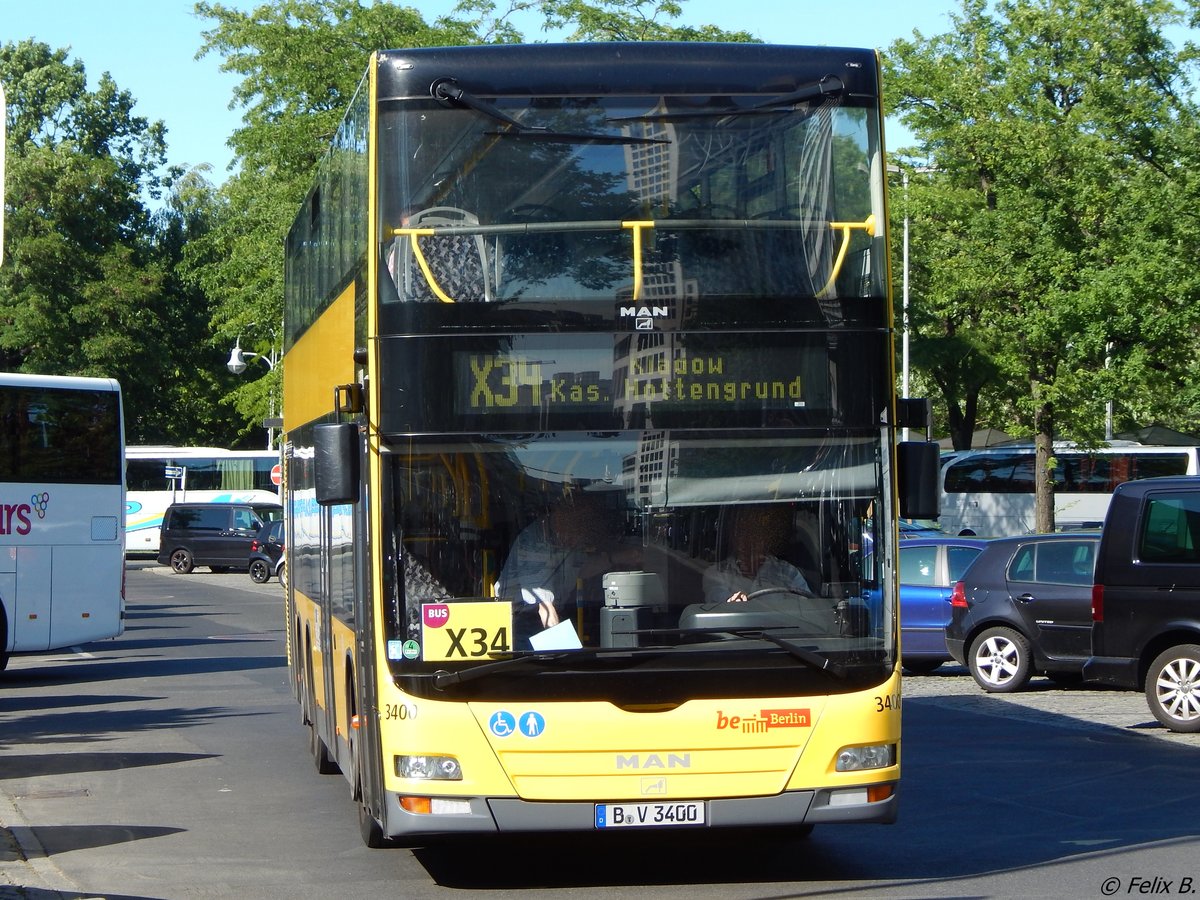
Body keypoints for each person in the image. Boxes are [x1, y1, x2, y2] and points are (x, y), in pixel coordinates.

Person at [495, 491, 623, 647]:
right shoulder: (535, 541)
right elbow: (543, 606)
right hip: (520, 619)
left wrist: (618, 558)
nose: (583, 531)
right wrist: (563, 649)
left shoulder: (566, 538)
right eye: (580, 522)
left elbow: (582, 567)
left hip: (550, 613)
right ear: (560, 515)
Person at [703, 504, 814, 604]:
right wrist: (731, 603)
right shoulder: (716, 574)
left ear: (765, 540)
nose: (747, 542)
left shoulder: (788, 573)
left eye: (754, 535)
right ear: (733, 538)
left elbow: (808, 608)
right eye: (741, 533)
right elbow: (716, 603)